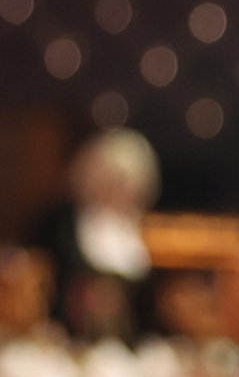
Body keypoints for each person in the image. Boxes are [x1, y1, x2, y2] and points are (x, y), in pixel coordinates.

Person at [30, 129, 160, 342]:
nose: (117, 192)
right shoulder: (59, 225)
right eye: (111, 182)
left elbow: (147, 308)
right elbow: (40, 281)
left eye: (125, 184)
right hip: (65, 341)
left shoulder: (136, 234)